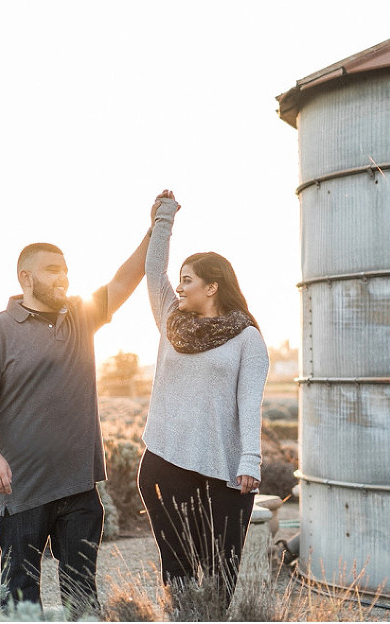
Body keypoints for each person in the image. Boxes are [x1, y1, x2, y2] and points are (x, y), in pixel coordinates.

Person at [0, 219, 153, 617]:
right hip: (22, 488)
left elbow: (124, 280)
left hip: (80, 487)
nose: (64, 277)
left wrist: (155, 230)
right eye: (53, 269)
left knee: (82, 594)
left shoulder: (81, 318)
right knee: (20, 595)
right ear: (26, 276)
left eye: (66, 269)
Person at [138, 189, 269, 608]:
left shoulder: (248, 337)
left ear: (212, 286)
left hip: (224, 470)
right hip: (165, 460)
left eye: (188, 279)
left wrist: (250, 459)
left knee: (219, 572)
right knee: (176, 568)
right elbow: (152, 271)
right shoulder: (171, 319)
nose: (178, 286)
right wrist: (163, 220)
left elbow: (250, 403)